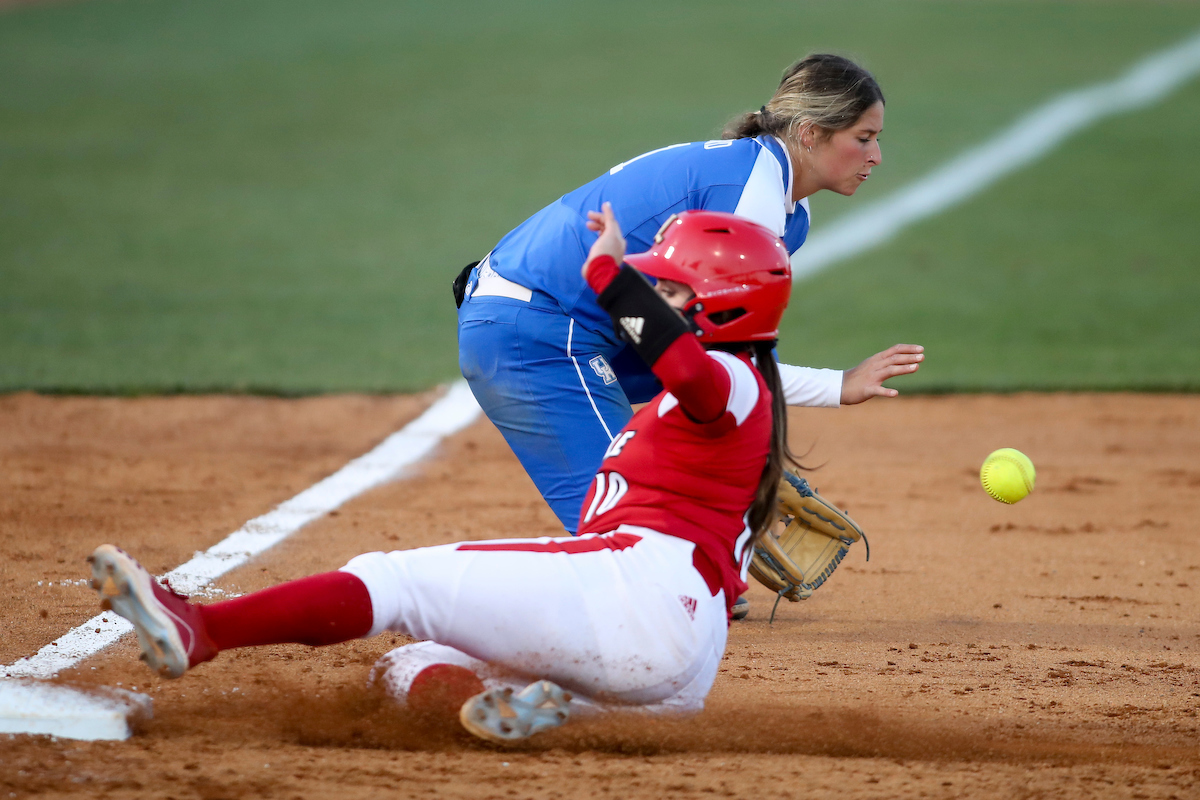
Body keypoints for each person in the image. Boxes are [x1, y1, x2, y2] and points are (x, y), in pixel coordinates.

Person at [90, 207, 806, 743]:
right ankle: (509, 717)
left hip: (636, 595)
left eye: (676, 292)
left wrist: (608, 274)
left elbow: (686, 366)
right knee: (411, 664)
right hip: (675, 664)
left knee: (392, 580)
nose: (660, 301)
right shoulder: (744, 393)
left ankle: (202, 628)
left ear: (722, 303)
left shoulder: (728, 379)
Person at [457, 54, 923, 545]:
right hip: (536, 331)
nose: (876, 157)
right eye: (864, 138)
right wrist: (838, 386)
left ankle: (691, 518)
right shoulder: (753, 198)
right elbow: (733, 364)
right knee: (627, 536)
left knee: (703, 424)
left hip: (598, 327)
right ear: (810, 133)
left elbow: (721, 356)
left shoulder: (785, 205)